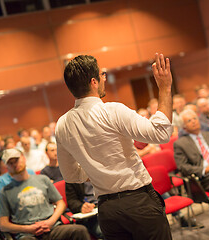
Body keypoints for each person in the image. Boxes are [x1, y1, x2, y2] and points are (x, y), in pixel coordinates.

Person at [56, 53, 173, 239]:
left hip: (107, 210)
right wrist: (165, 88)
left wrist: (97, 171)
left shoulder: (62, 124)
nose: (104, 78)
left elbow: (70, 175)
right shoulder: (112, 111)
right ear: (93, 82)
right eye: (102, 75)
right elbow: (161, 132)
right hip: (138, 202)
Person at [0, 148, 90, 240]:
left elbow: (61, 203)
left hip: (52, 228)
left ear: (23, 158)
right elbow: (3, 225)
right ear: (6, 167)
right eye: (10, 163)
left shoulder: (43, 179)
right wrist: (28, 229)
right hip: (27, 234)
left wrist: (50, 222)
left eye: (16, 160)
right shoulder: (5, 192)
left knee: (79, 231)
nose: (14, 164)